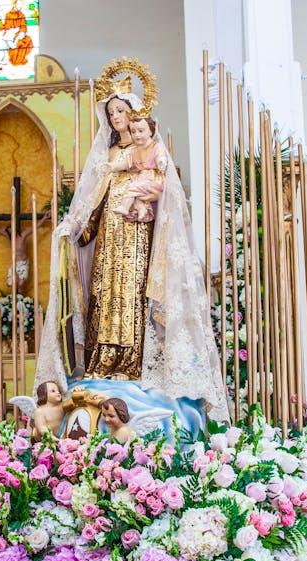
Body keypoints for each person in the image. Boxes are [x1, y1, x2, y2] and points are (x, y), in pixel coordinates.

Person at [34, 76, 228, 425]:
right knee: (104, 297)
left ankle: (132, 362)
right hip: (108, 243)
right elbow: (92, 203)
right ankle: (102, 361)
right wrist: (74, 229)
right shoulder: (107, 155)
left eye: (121, 110)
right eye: (110, 112)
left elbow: (167, 193)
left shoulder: (150, 151)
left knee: (132, 296)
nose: (115, 117)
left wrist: (148, 198)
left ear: (134, 113)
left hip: (138, 238)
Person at [111, 116, 166, 223]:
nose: (137, 135)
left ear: (151, 131)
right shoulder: (134, 150)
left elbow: (160, 156)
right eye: (133, 132)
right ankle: (142, 210)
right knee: (137, 196)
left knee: (133, 187)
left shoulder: (156, 146)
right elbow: (126, 164)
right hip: (142, 179)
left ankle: (124, 207)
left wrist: (161, 162)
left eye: (141, 131)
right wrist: (113, 166)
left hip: (153, 179)